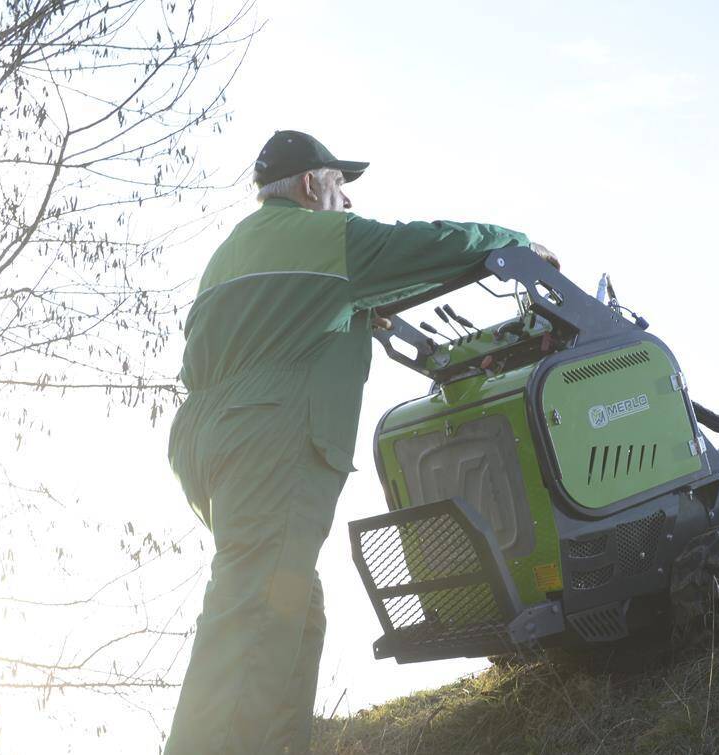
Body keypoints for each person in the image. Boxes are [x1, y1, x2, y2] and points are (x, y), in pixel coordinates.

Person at [164, 130, 554, 754]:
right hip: (272, 437)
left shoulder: (235, 251)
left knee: (292, 604)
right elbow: (423, 245)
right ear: (312, 184)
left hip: (210, 444)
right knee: (257, 610)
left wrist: (356, 318)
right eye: (340, 185)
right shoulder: (322, 237)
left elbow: (281, 330)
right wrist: (514, 244)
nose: (346, 200)